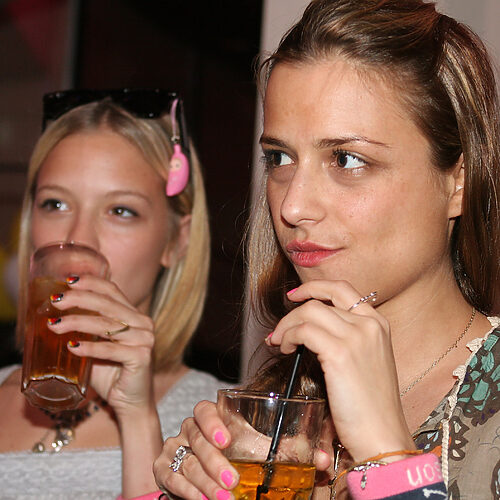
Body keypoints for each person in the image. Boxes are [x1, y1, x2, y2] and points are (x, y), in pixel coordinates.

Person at [152, 0, 500, 499]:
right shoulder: (278, 406)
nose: (292, 205)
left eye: (347, 159)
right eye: (280, 157)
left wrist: (387, 455)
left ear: (458, 180)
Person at [0, 89, 226, 500]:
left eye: (121, 211)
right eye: (55, 204)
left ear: (176, 241)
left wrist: (137, 418)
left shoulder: (219, 425)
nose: (78, 240)